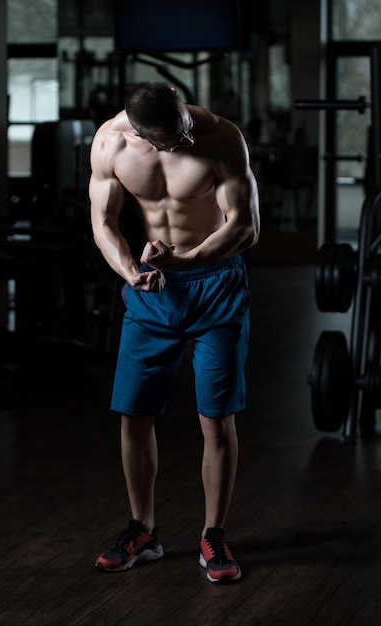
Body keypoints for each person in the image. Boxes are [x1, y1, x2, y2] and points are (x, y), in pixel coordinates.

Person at [89, 82, 260, 583]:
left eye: (184, 130)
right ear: (142, 133)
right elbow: (103, 222)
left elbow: (245, 227)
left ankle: (214, 536)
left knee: (216, 417)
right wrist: (130, 273)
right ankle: (143, 530)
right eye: (168, 141)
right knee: (134, 415)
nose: (180, 144)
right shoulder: (111, 143)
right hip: (151, 287)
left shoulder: (222, 137)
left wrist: (184, 259)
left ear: (186, 112)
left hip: (215, 283)